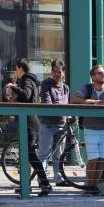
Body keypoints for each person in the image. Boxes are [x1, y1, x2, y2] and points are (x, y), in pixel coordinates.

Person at [70, 64, 104, 196]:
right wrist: (91, 102)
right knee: (93, 159)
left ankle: (95, 186)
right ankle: (89, 186)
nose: (103, 74)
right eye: (100, 73)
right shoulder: (87, 88)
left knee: (101, 160)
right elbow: (75, 99)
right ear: (93, 76)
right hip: (91, 128)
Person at [4, 57, 52, 195]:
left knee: (31, 155)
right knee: (28, 155)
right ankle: (28, 184)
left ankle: (45, 184)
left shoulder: (27, 79)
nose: (16, 72)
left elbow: (27, 94)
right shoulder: (29, 80)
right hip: (29, 122)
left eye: (16, 69)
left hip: (29, 123)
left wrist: (14, 87)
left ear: (20, 68)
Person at [37, 58, 70, 187]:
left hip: (62, 124)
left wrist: (68, 115)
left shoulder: (66, 87)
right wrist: (62, 108)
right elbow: (47, 103)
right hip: (48, 124)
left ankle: (58, 179)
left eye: (59, 71)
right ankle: (42, 180)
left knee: (59, 155)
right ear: (51, 72)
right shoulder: (46, 84)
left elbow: (66, 104)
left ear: (63, 73)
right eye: (54, 71)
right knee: (44, 154)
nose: (57, 74)